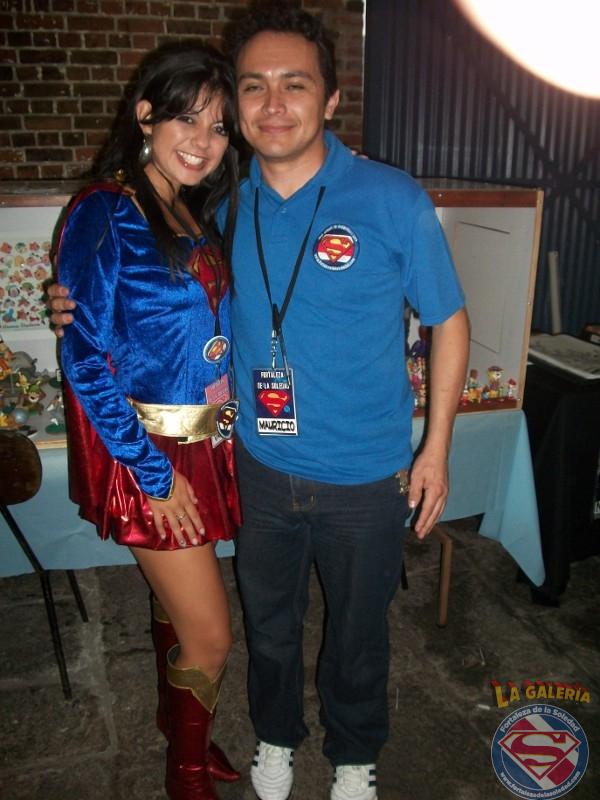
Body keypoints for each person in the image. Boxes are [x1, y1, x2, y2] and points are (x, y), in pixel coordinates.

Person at [49, 5, 470, 799]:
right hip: (258, 466)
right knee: (264, 627)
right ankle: (272, 740)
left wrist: (437, 449)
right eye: (253, 87)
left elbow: (448, 319)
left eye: (294, 84)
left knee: (358, 633)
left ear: (331, 98)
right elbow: (123, 314)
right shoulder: (221, 204)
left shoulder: (386, 196)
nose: (272, 104)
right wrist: (72, 303)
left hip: (363, 471)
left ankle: (354, 756)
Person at [54, 42, 242, 800]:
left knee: (181, 609)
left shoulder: (191, 209)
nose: (203, 140)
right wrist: (153, 475)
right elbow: (83, 357)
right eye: (186, 118)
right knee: (213, 637)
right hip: (150, 455)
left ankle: (179, 730)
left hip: (205, 444)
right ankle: (185, 775)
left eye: (219, 126)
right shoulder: (106, 209)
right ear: (144, 115)